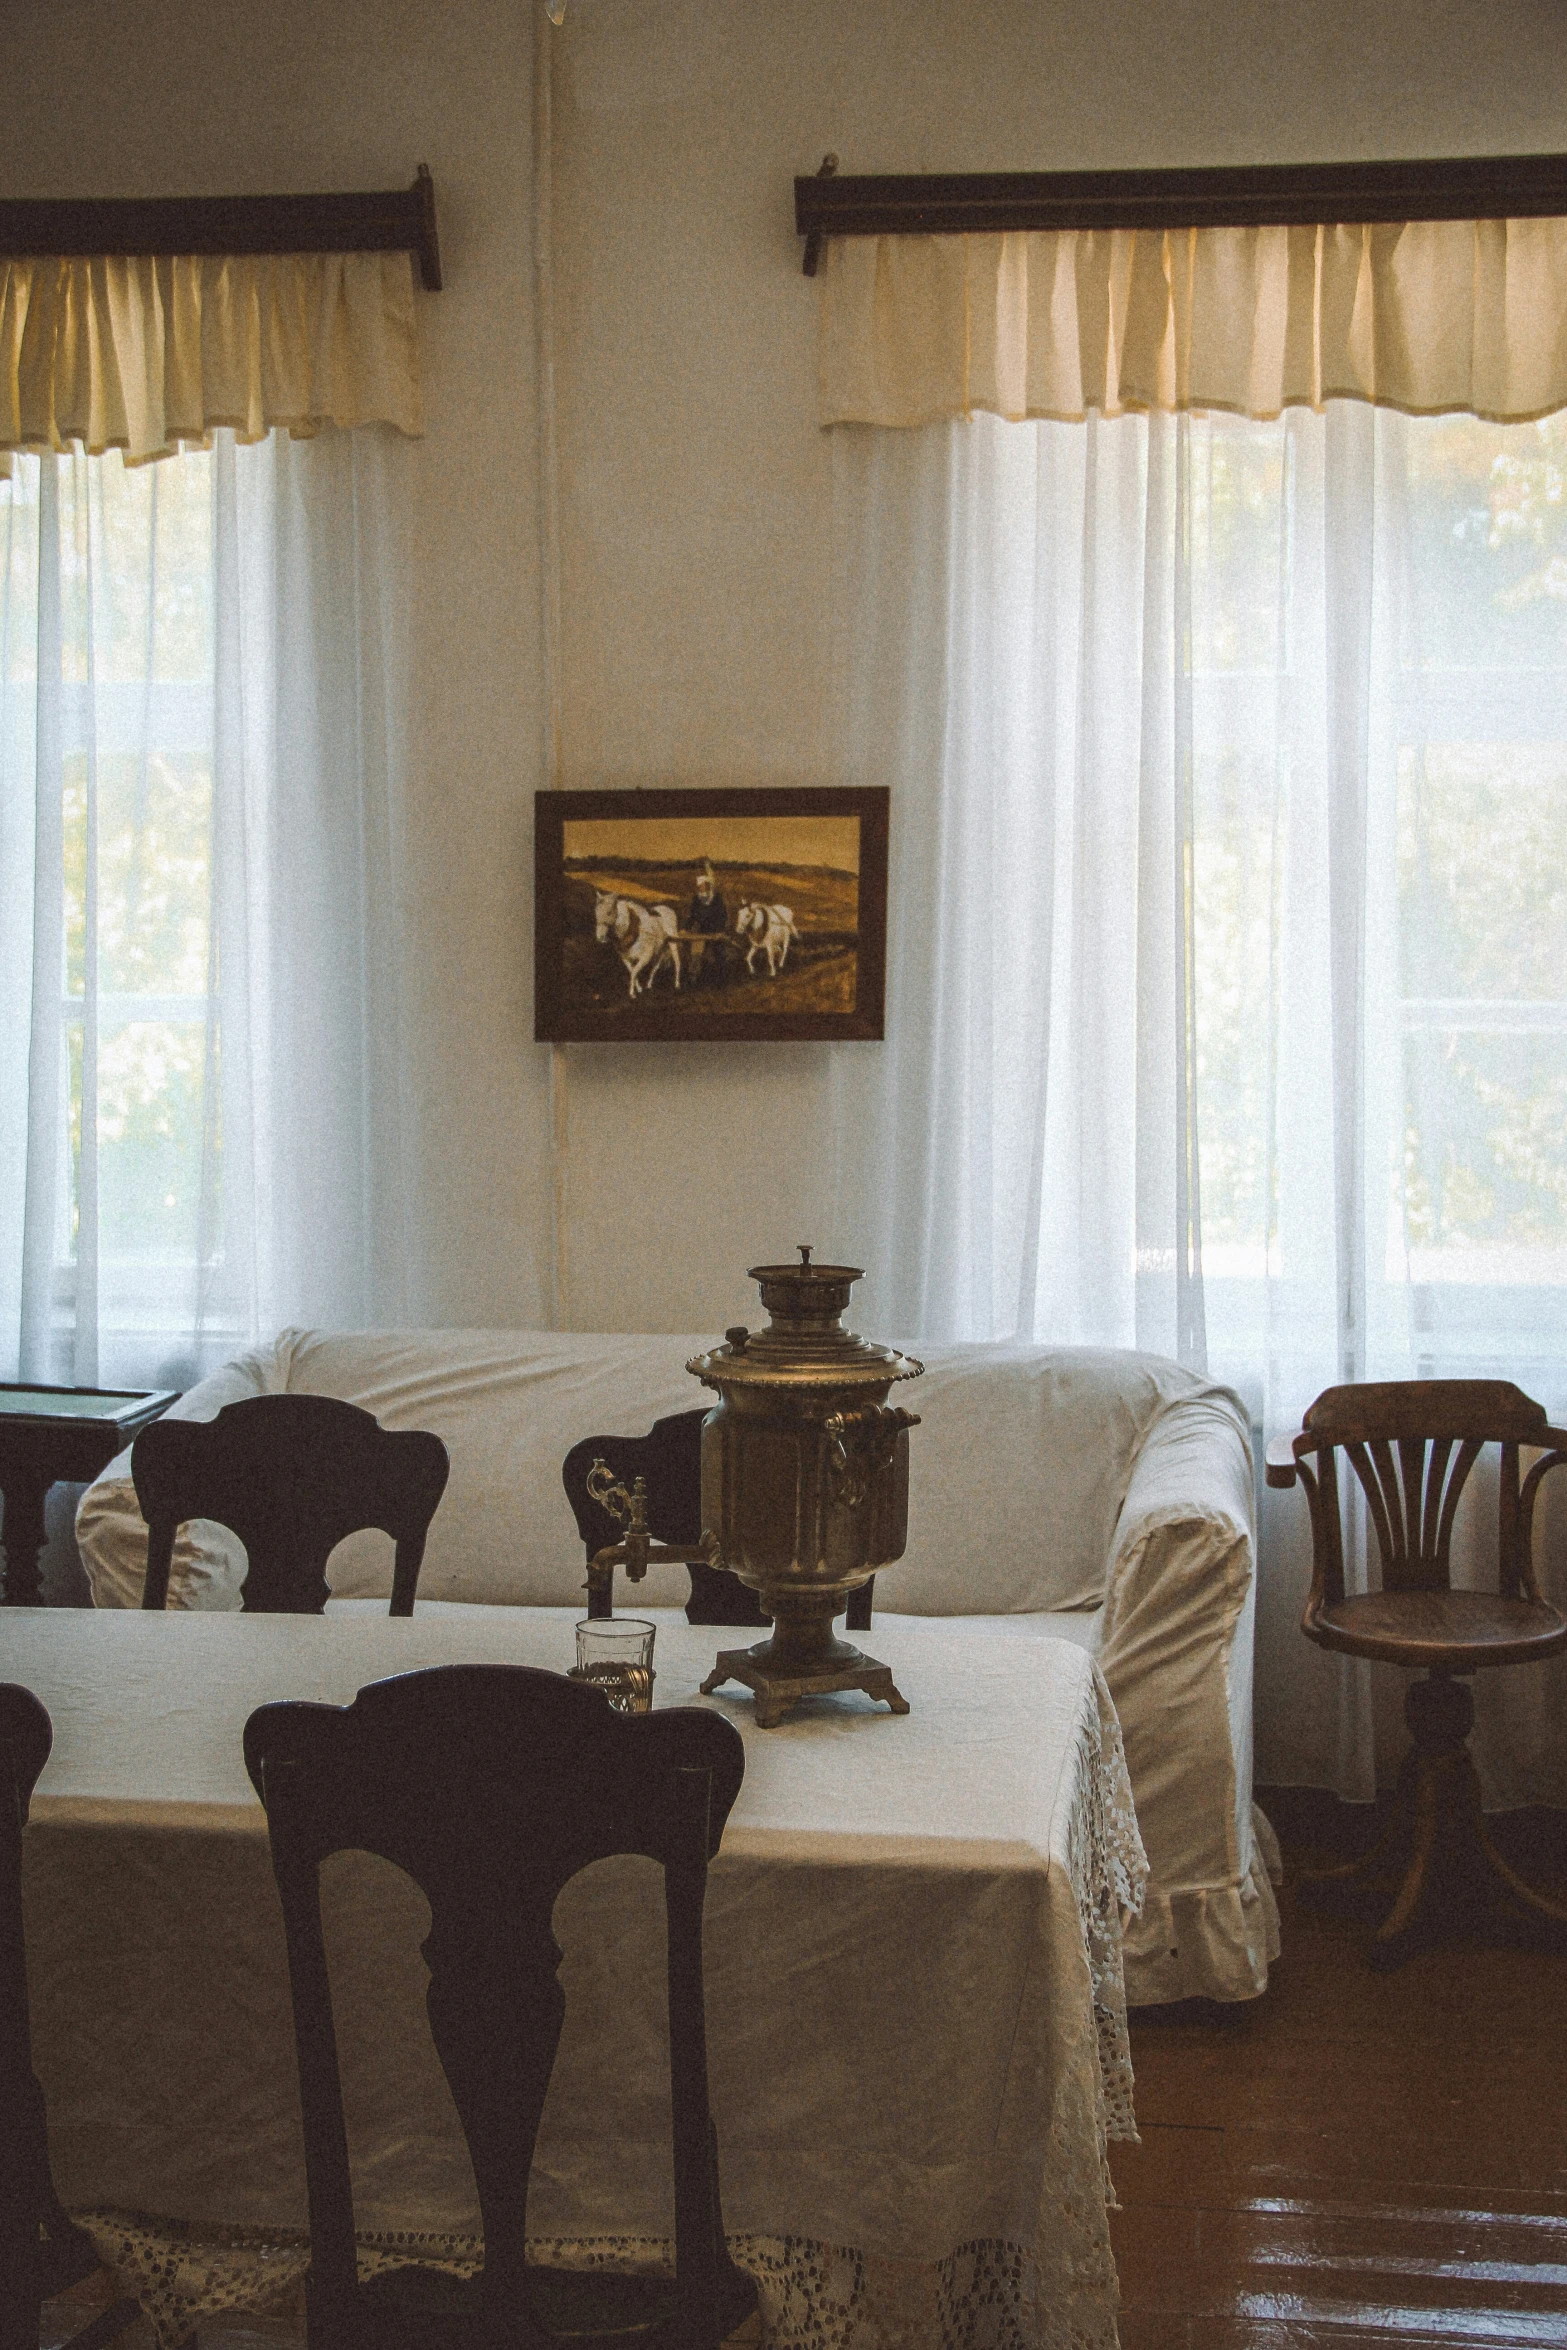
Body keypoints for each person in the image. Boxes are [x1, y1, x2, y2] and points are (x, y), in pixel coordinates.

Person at [685, 861, 729, 984]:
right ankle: (693, 975)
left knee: (719, 952)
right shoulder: (696, 899)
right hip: (701, 930)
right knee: (696, 953)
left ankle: (721, 977)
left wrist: (720, 931)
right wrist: (685, 928)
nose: (701, 887)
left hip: (716, 930)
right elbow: (692, 916)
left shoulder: (717, 898)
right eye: (700, 886)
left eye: (704, 885)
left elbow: (722, 915)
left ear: (708, 885)